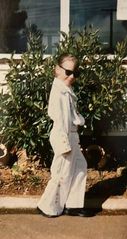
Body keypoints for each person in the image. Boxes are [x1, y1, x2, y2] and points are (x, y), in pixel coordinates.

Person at [37, 53, 93, 217]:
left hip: (71, 136)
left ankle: (73, 205)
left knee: (79, 167)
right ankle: (48, 206)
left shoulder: (66, 89)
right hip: (63, 136)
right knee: (61, 172)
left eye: (75, 73)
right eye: (68, 72)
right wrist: (64, 144)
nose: (72, 76)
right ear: (57, 70)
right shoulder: (59, 92)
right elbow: (60, 119)